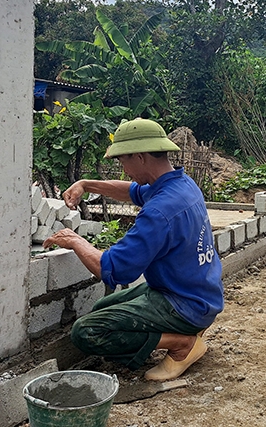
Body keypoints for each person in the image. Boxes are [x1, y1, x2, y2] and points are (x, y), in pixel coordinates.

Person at [44, 118, 224, 381]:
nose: (123, 169)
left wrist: (75, 241)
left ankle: (182, 344)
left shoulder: (160, 212)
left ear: (139, 157)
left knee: (87, 331)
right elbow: (132, 191)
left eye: (122, 161)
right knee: (103, 307)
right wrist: (86, 184)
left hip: (184, 303)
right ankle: (185, 332)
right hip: (198, 292)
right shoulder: (180, 185)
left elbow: (113, 269)